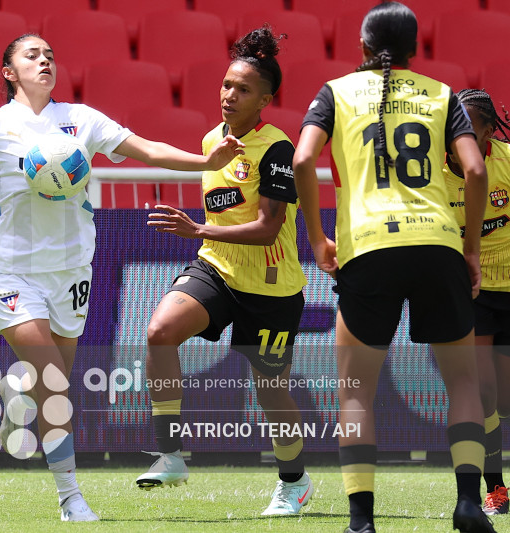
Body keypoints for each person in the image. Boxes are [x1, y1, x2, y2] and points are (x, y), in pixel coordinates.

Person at [0, 34, 244, 523]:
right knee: (53, 379)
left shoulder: (82, 120)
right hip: (11, 268)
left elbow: (146, 149)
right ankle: (71, 498)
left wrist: (205, 162)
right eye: (31, 55)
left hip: (70, 271)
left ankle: (16, 389)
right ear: (8, 72)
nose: (44, 61)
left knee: (53, 379)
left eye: (50, 56)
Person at [292, 3, 493, 532]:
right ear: (414, 49)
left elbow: (302, 161)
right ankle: (470, 503)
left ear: (362, 46)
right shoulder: (442, 94)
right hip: (438, 246)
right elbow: (474, 170)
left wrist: (317, 238)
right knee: (464, 385)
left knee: (356, 390)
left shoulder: (334, 93)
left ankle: (361, 522)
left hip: (369, 250)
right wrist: (470, 250)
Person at [137, 26, 313, 517]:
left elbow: (266, 228)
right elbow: (222, 216)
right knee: (159, 331)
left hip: (271, 288)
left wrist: (196, 231)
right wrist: (203, 237)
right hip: (217, 268)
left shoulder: (278, 149)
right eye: (226, 85)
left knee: (270, 390)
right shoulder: (212, 141)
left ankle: (294, 482)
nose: (229, 95)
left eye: (243, 89)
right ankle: (170, 454)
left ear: (266, 99)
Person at [445, 88, 510, 517]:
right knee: (483, 391)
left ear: (489, 132)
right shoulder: (432, 172)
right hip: (474, 290)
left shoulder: (506, 160)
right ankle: (497, 488)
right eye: (455, 127)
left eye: (471, 127)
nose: (460, 135)